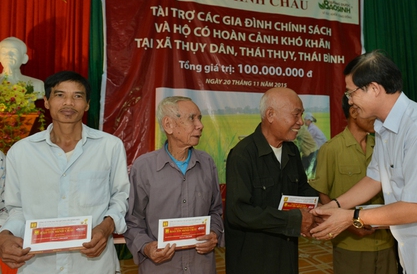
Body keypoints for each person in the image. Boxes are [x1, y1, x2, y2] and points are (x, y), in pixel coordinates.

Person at [309, 50, 417, 274]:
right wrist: (333, 207)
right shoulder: (385, 128)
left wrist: (352, 218)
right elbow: (375, 179)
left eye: (350, 93)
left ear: (374, 89)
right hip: (416, 252)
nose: (350, 100)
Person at [0, 71, 130, 273]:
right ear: (46, 101)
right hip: (39, 265)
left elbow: (120, 197)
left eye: (77, 96)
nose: (68, 103)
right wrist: (5, 235)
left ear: (87, 104)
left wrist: (106, 228)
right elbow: (16, 208)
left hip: (94, 266)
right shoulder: (21, 151)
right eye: (60, 95)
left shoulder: (109, 147)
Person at [224, 87, 319, 274]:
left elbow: (302, 189)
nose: (300, 122)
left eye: (301, 115)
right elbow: (239, 211)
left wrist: (322, 209)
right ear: (270, 115)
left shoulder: (291, 151)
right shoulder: (243, 155)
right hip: (252, 260)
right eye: (296, 114)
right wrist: (292, 220)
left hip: (286, 255)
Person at [124, 96, 224, 274]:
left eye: (200, 118)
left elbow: (215, 211)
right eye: (191, 118)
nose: (200, 125)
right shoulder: (144, 167)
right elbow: (133, 221)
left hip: (200, 267)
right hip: (160, 268)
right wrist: (147, 248)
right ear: (168, 125)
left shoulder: (207, 163)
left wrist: (214, 233)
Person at [309, 95, 397, 274]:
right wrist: (348, 224)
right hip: (350, 244)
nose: (378, 118)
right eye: (372, 112)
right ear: (354, 112)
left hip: (386, 241)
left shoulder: (383, 147)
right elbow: (323, 195)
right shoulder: (331, 149)